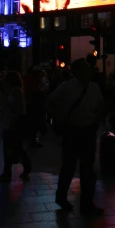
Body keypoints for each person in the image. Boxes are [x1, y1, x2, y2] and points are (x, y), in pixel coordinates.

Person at [48, 59, 106, 213]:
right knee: (76, 167)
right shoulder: (77, 87)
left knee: (78, 167)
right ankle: (81, 202)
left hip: (81, 130)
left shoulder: (78, 87)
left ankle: (73, 199)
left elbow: (51, 102)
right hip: (76, 130)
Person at [0, 72, 32, 182]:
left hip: (14, 123)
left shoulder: (16, 91)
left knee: (15, 148)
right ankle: (11, 171)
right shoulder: (8, 92)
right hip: (8, 122)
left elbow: (19, 109)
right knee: (12, 148)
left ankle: (12, 171)